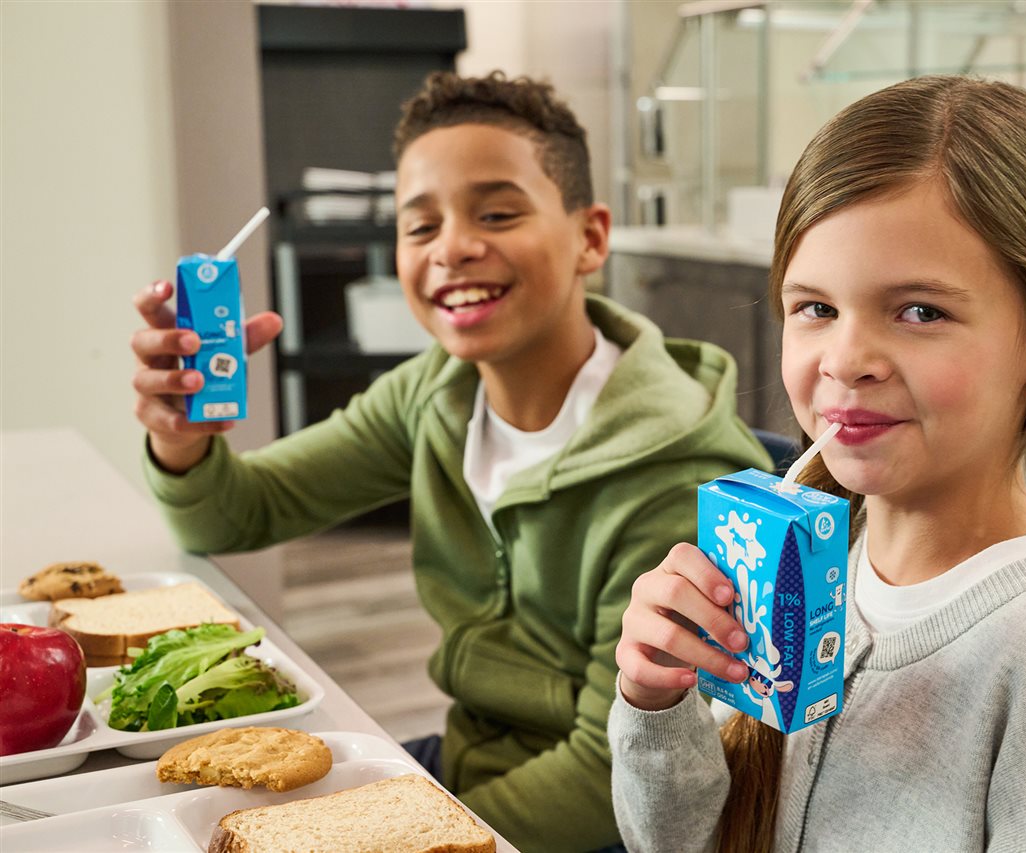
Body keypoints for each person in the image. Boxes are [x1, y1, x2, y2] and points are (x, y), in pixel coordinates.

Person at [130, 70, 771, 852]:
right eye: (420, 226)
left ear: (590, 238)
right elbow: (235, 512)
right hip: (465, 770)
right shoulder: (433, 391)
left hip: (596, 821)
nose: (454, 248)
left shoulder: (671, 473)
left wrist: (398, 828)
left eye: (498, 213)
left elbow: (605, 770)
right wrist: (182, 432)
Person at [610, 75, 1026, 852]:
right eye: (815, 307)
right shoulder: (798, 558)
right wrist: (653, 702)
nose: (846, 359)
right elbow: (676, 841)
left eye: (920, 311)